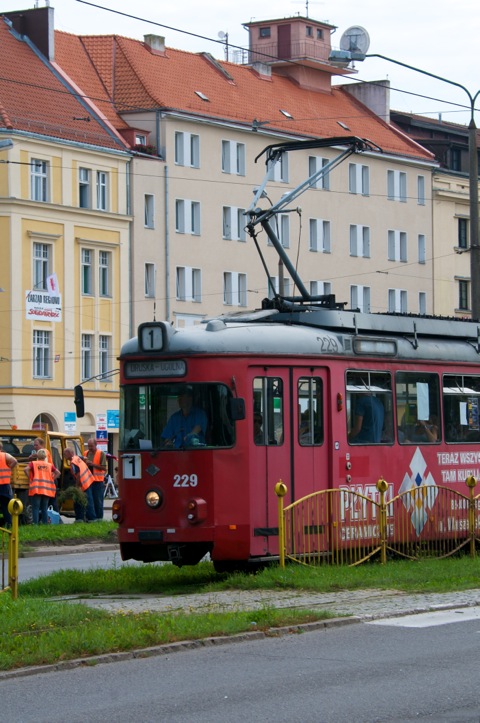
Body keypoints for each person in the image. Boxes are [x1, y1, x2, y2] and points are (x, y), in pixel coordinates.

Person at [27, 448, 59, 524]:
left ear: (37, 456)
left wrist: (30, 478)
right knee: (45, 507)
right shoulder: (49, 465)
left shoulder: (33, 463)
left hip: (37, 488)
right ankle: (45, 524)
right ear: (45, 457)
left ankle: (35, 524)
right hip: (47, 488)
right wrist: (52, 478)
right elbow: (58, 473)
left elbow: (26, 469)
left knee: (36, 508)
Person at [63, 447, 96, 522]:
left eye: (65, 454)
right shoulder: (77, 458)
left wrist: (77, 486)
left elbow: (78, 475)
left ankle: (88, 518)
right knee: (88, 500)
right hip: (88, 480)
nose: (64, 456)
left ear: (70, 453)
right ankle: (89, 518)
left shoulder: (73, 462)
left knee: (86, 501)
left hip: (84, 483)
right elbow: (84, 457)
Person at [82, 438, 107, 520]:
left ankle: (99, 518)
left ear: (96, 445)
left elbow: (104, 468)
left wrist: (92, 464)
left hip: (98, 481)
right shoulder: (85, 453)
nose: (90, 448)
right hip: (88, 481)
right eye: (88, 446)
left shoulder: (101, 454)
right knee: (90, 501)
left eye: (91, 446)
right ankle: (91, 518)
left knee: (98, 500)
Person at [0, 441, 17, 528]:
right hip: (4, 485)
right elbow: (14, 461)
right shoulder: (4, 455)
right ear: (1, 448)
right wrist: (9, 468)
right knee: (6, 506)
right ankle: (9, 524)